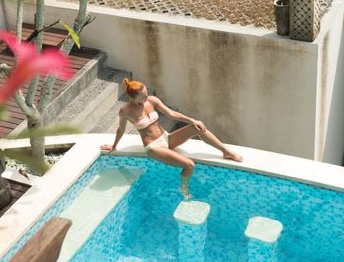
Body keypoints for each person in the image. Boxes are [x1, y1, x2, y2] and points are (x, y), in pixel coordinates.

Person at [101, 78, 243, 199]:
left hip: (166, 138)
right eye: (143, 96)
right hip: (154, 147)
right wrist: (114, 146)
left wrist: (192, 120)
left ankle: (226, 151)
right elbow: (121, 129)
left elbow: (171, 113)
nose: (146, 97)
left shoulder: (152, 100)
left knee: (196, 127)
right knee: (189, 165)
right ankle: (184, 189)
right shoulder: (125, 111)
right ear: (132, 97)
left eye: (146, 93)